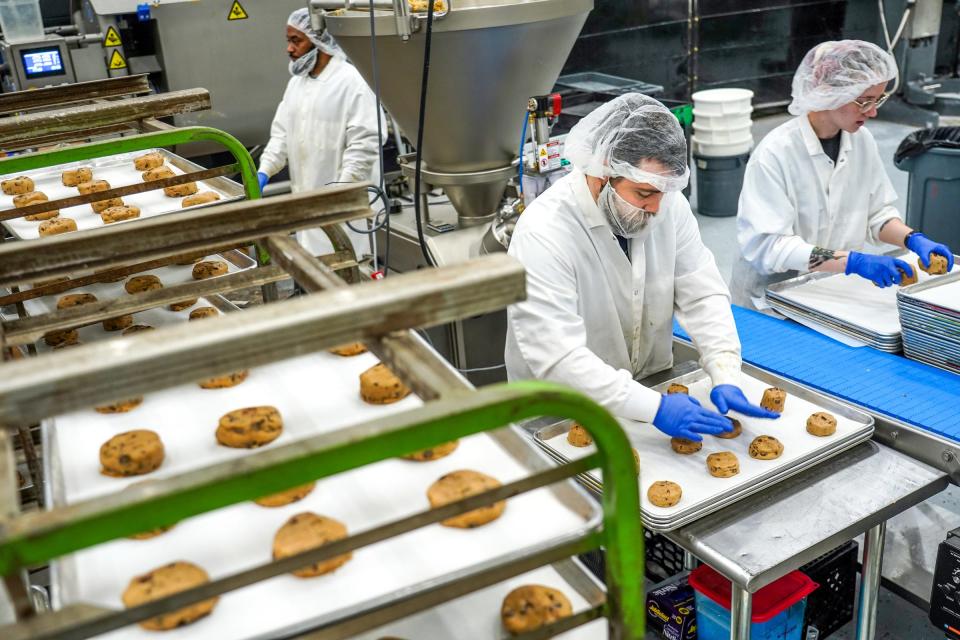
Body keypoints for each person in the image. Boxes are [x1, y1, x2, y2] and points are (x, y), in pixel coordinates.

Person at [505, 94, 779, 442]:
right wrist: (655, 409)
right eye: (643, 193)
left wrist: (725, 368)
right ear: (602, 172)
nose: (656, 208)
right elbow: (557, 355)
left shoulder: (666, 205)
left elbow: (702, 293)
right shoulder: (545, 232)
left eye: (664, 192)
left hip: (645, 388)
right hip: (558, 416)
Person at [732, 39, 955, 308]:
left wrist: (912, 239)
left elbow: (876, 214)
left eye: (878, 100)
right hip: (771, 302)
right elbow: (769, 247)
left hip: (833, 290)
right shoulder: (775, 154)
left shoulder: (861, 141)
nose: (873, 112)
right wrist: (853, 262)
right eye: (864, 101)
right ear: (829, 92)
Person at [257, 8, 384, 257]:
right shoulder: (297, 83)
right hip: (308, 200)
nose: (289, 49)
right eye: (288, 41)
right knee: (317, 268)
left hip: (345, 207)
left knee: (350, 270)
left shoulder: (352, 82)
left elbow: (365, 142)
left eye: (296, 41)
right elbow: (281, 134)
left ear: (319, 42)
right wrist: (264, 171)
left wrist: (342, 188)